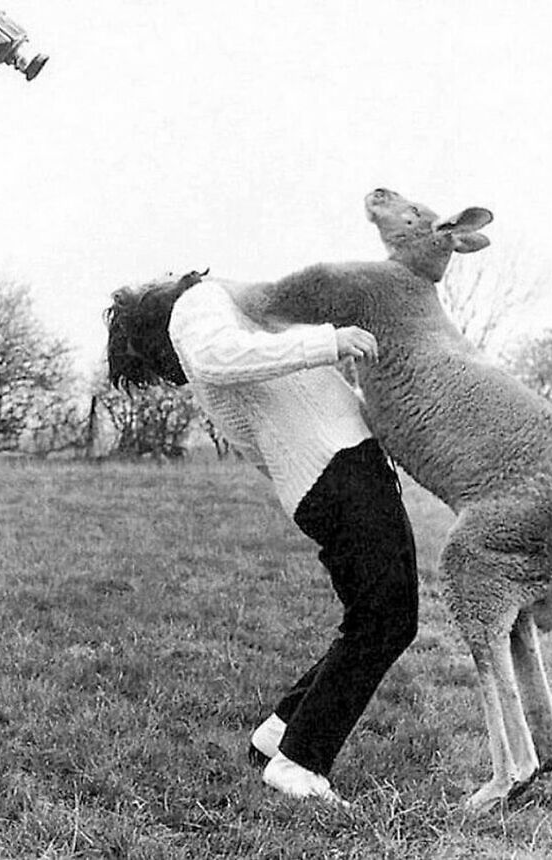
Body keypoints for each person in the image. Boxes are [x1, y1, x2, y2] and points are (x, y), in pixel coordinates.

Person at [106, 269, 418, 805]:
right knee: (386, 619)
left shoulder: (210, 319)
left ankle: (279, 734)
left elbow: (255, 432)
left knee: (376, 617)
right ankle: (300, 764)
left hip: (327, 476)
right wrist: (329, 341)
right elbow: (218, 355)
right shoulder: (198, 306)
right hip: (337, 469)